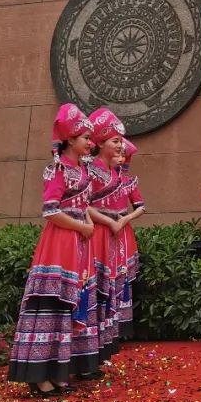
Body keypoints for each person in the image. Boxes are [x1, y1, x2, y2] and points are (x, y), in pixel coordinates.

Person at [8, 104, 100, 396]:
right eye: (85, 137)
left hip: (77, 244)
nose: (90, 143)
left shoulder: (83, 170)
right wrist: (81, 227)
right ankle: (38, 374)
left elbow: (84, 206)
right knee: (51, 304)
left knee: (67, 307)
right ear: (70, 139)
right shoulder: (57, 168)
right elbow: (50, 211)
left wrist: (86, 226)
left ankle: (57, 370)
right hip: (59, 244)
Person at [84, 107, 125, 366]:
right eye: (115, 140)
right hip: (94, 237)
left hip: (109, 237)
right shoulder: (91, 171)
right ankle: (86, 352)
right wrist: (108, 220)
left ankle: (99, 350)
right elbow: (81, 204)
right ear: (100, 143)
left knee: (106, 293)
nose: (121, 145)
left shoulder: (112, 173)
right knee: (92, 292)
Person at [112, 137, 145, 338]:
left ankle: (119, 326)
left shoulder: (128, 182)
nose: (121, 158)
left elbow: (141, 207)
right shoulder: (99, 177)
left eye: (123, 155)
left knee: (121, 277)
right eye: (118, 153)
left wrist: (126, 218)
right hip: (104, 230)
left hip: (123, 233)